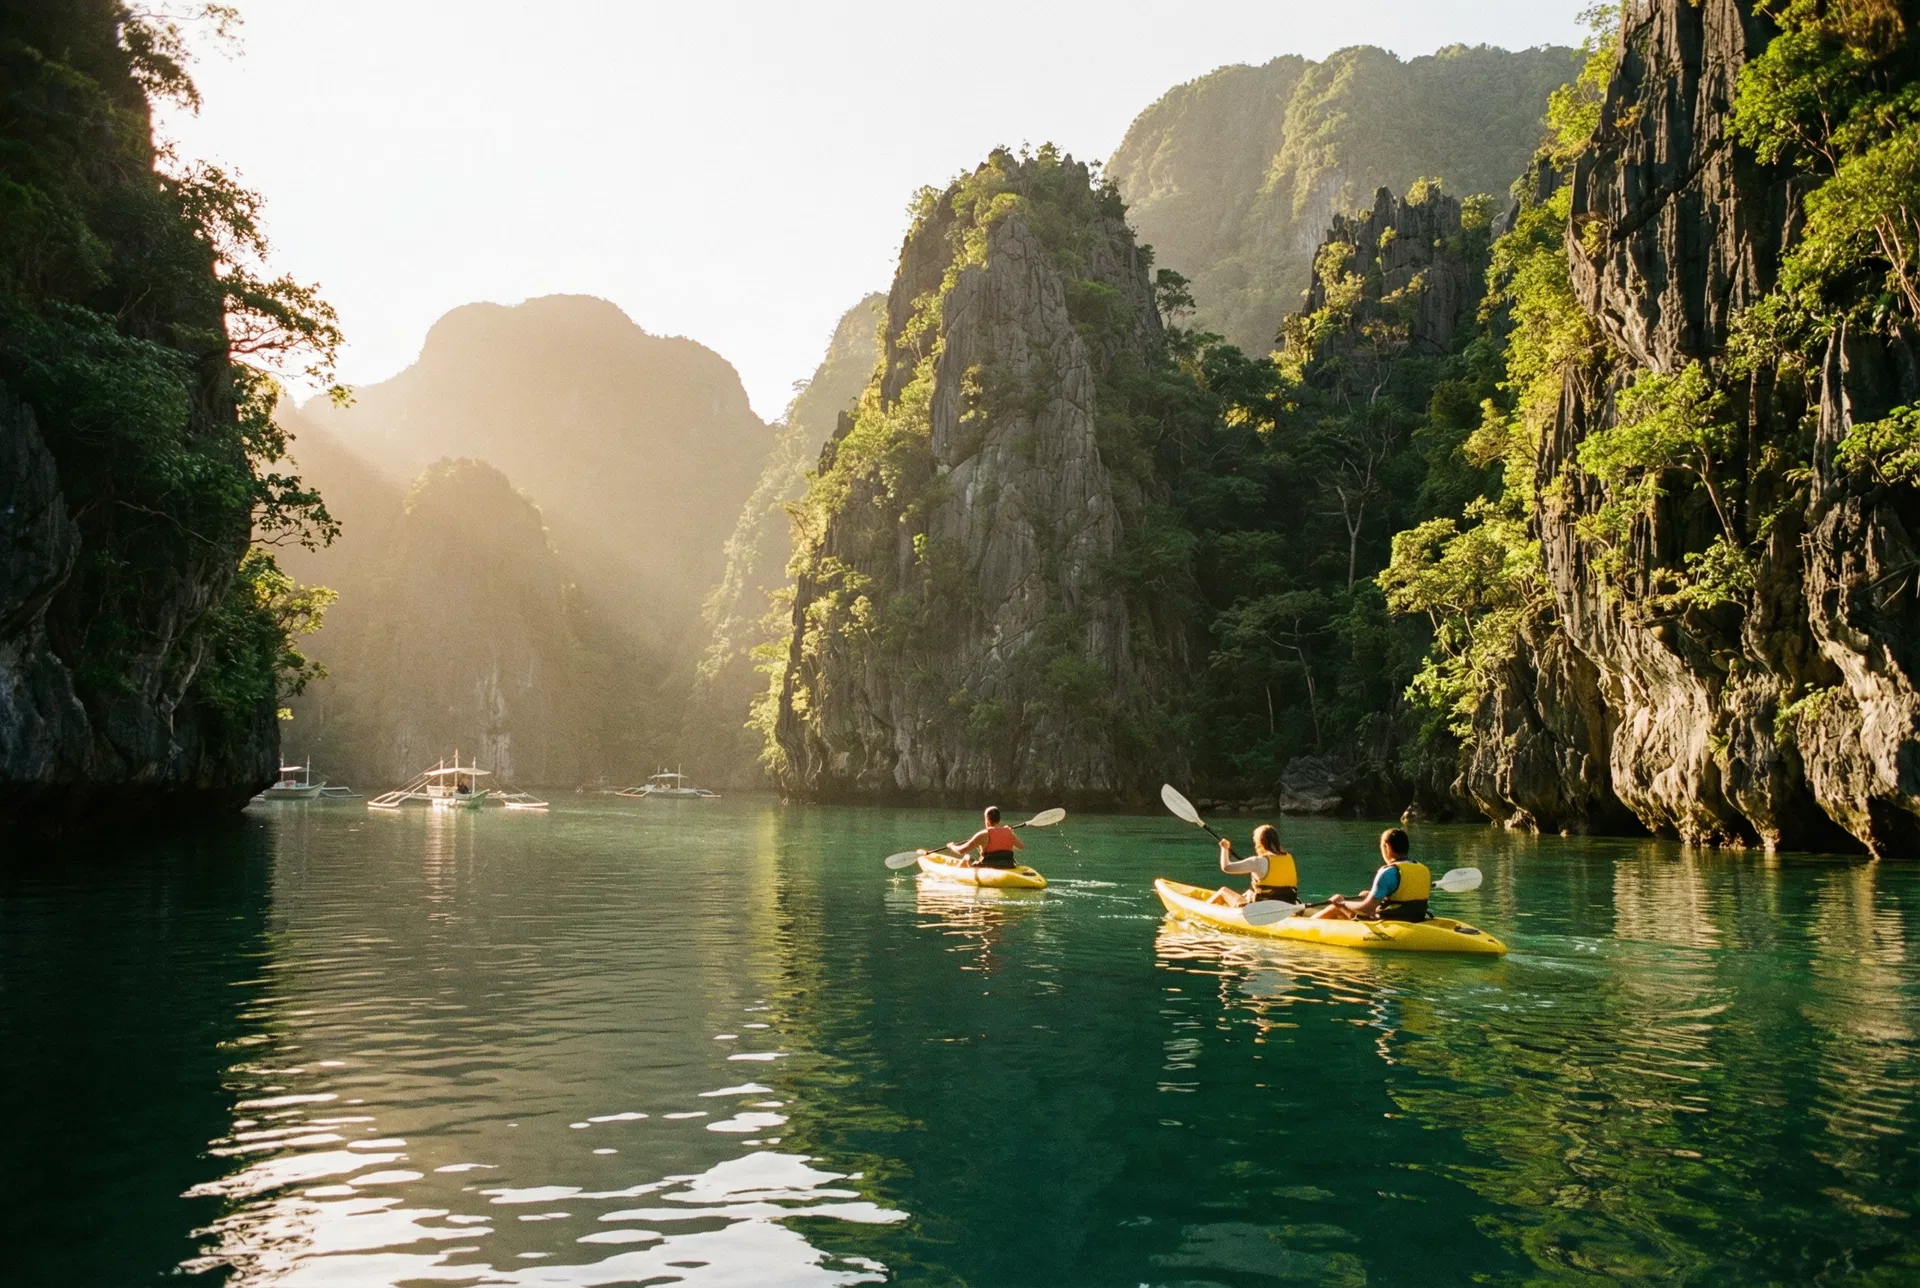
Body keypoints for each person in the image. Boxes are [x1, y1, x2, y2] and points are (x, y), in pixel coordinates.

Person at [1311, 828, 1430, 922]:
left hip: (1391, 921)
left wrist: (1341, 903)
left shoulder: (1388, 872)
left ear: (1387, 847)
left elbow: (1368, 909)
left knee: (1335, 908)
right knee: (1358, 899)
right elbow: (1404, 895)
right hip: (1416, 918)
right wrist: (1372, 896)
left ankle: (1307, 925)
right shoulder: (1423, 869)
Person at [1206, 824, 1298, 907]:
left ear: (1260, 843)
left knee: (1223, 891)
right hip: (1287, 904)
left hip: (1262, 908)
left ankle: (1202, 909)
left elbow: (1226, 867)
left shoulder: (1257, 861)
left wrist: (1224, 849)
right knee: (1248, 893)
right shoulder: (1289, 858)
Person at [948, 806, 1024, 869]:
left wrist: (952, 846)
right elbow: (1021, 847)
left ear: (987, 820)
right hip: (1008, 866)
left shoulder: (983, 834)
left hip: (987, 868)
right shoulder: (1009, 832)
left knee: (967, 857)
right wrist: (1009, 832)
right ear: (999, 820)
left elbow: (961, 850)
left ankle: (954, 875)